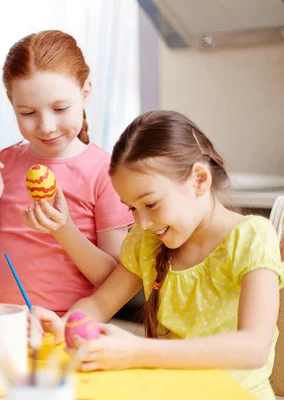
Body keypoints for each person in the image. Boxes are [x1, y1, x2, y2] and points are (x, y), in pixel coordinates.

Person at [34, 110, 284, 399]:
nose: (141, 222)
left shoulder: (251, 237)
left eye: (150, 204)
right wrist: (64, 326)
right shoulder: (147, 241)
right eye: (132, 208)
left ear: (199, 180)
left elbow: (253, 348)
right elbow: (100, 303)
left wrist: (139, 351)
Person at [0, 30, 133, 315]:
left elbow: (113, 279)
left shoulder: (106, 173)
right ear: (11, 102)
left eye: (60, 108)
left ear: (85, 93)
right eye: (28, 113)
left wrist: (63, 229)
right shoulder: (3, 164)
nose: (45, 126)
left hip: (64, 329)